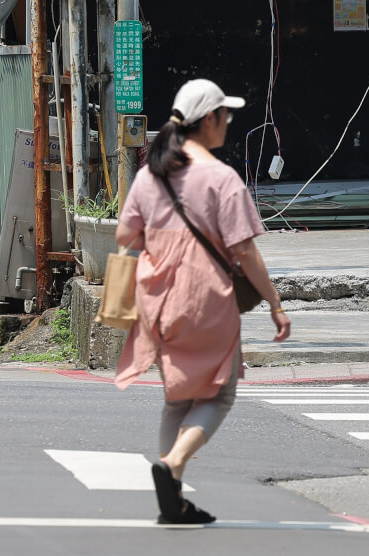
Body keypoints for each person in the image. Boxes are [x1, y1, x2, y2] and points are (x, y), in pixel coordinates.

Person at [114, 78, 291, 523]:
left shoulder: (151, 175)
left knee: (177, 397)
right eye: (225, 116)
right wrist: (274, 303)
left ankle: (171, 496)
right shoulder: (221, 178)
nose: (227, 123)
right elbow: (245, 251)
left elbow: (125, 235)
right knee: (219, 393)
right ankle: (171, 465)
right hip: (208, 299)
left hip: (158, 299)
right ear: (209, 119)